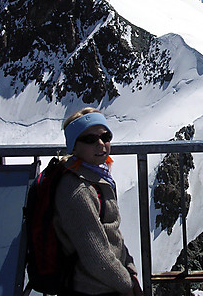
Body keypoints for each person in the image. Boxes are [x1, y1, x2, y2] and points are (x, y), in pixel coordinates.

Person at [54, 107, 143, 296]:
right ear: (74, 146)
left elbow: (111, 235)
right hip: (93, 289)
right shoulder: (78, 190)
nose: (101, 144)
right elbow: (95, 254)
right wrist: (127, 285)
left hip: (108, 282)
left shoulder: (95, 177)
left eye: (105, 136)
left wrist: (129, 267)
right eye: (89, 139)